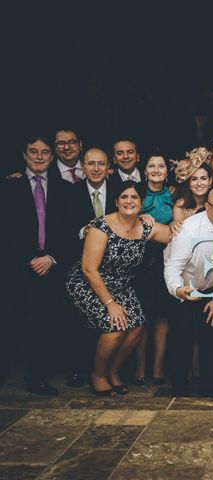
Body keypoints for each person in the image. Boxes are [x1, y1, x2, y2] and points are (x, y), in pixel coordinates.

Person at [65, 181, 171, 396]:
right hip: (87, 283)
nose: (129, 201)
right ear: (116, 202)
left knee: (137, 325)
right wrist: (110, 304)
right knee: (115, 327)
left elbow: (175, 234)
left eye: (134, 197)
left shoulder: (146, 227)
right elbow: (89, 269)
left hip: (121, 284)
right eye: (124, 197)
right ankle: (98, 376)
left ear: (142, 203)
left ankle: (113, 372)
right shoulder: (101, 226)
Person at [2, 134, 69, 395]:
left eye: (44, 152)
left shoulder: (64, 188)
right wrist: (28, 258)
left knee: (47, 324)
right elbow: (6, 229)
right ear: (24, 155)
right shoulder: (8, 187)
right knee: (9, 322)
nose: (39, 157)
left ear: (52, 157)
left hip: (50, 266)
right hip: (17, 267)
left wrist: (51, 258)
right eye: (33, 152)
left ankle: (38, 377)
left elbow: (68, 229)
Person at [163, 187, 213, 396]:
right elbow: (173, 267)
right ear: (206, 207)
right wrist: (178, 290)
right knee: (181, 340)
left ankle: (211, 389)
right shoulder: (188, 230)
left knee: (212, 341)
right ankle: (179, 389)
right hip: (183, 286)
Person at [64, 147, 118, 388]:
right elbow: (62, 229)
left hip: (115, 268)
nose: (96, 169)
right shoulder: (69, 193)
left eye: (101, 164)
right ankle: (77, 369)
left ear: (108, 167)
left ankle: (109, 370)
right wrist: (84, 232)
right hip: (82, 266)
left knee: (110, 322)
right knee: (78, 322)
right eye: (91, 164)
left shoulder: (120, 191)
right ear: (82, 167)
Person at [133, 152, 174, 386]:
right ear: (145, 170)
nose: (157, 169)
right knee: (142, 314)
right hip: (140, 259)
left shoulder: (175, 193)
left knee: (162, 314)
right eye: (152, 166)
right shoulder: (136, 193)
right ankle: (139, 366)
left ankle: (158, 366)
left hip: (166, 258)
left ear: (167, 171)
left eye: (161, 166)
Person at [173, 151, 213, 223]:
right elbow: (180, 233)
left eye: (203, 178)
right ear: (189, 183)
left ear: (210, 181)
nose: (199, 183)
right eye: (194, 179)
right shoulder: (180, 206)